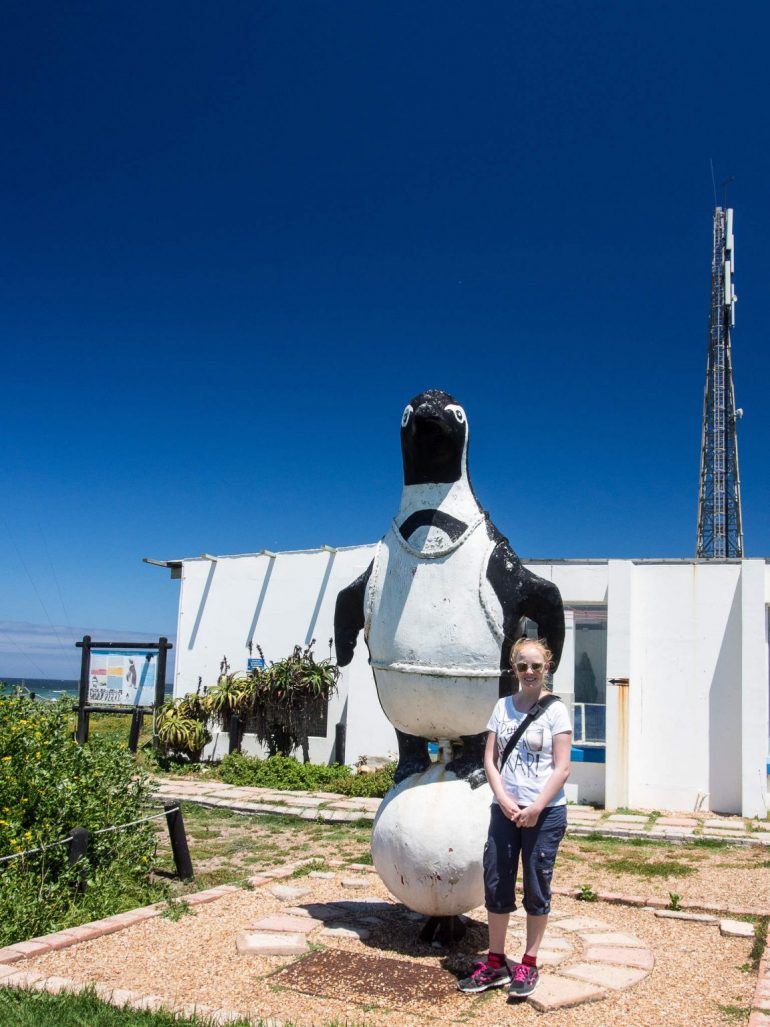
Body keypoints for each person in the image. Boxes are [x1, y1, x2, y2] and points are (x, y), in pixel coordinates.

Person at [458, 636, 572, 999]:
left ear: (547, 668)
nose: (529, 672)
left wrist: (536, 806)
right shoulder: (502, 707)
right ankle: (495, 962)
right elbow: (489, 760)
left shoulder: (556, 711)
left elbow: (562, 767)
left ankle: (529, 961)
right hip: (505, 810)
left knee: (537, 885)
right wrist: (505, 801)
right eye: (522, 665)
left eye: (536, 666)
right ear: (514, 668)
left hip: (545, 813)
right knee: (497, 881)